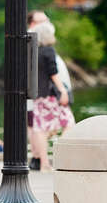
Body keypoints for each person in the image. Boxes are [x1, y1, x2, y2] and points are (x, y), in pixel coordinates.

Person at [30, 21, 75, 171]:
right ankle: (61, 157)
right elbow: (53, 73)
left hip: (38, 96)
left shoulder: (34, 52)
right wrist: (62, 90)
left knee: (40, 129)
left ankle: (44, 164)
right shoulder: (49, 51)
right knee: (69, 123)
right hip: (51, 96)